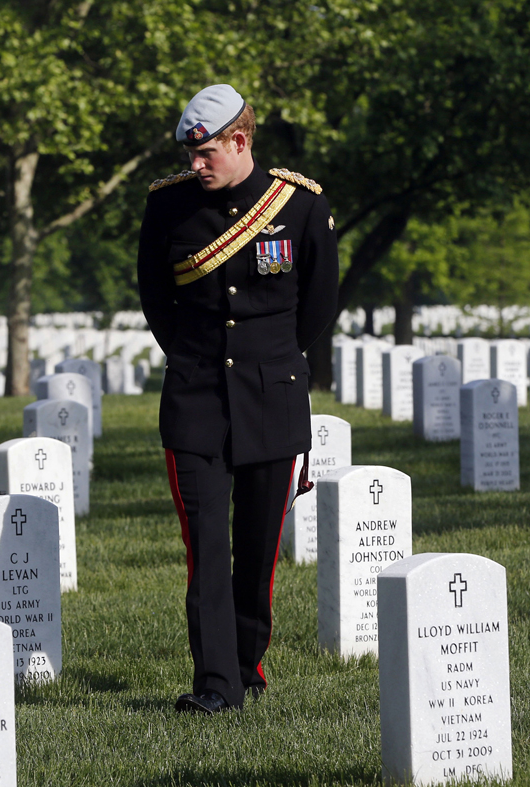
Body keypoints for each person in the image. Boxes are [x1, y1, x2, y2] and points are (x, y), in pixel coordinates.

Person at [137, 84, 340, 713]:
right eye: (190, 154)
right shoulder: (169, 208)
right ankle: (216, 684)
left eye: (206, 153)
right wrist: (197, 361)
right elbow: (155, 298)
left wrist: (270, 365)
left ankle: (247, 665)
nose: (195, 165)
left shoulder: (299, 206)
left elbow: (318, 307)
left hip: (270, 398)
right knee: (206, 549)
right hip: (196, 401)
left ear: (240, 140)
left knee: (255, 551)